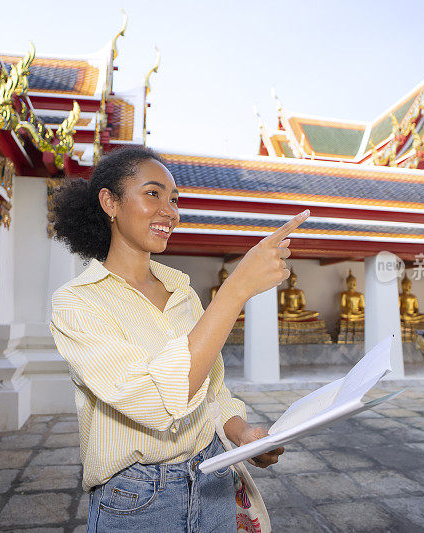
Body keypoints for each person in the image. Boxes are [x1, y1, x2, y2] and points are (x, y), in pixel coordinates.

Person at [49, 146, 309, 532]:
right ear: (110, 202)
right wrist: (234, 290)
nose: (169, 211)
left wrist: (242, 434)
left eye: (174, 199)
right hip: (138, 500)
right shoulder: (77, 302)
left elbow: (213, 387)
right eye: (152, 194)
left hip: (213, 479)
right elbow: (156, 403)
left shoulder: (182, 291)